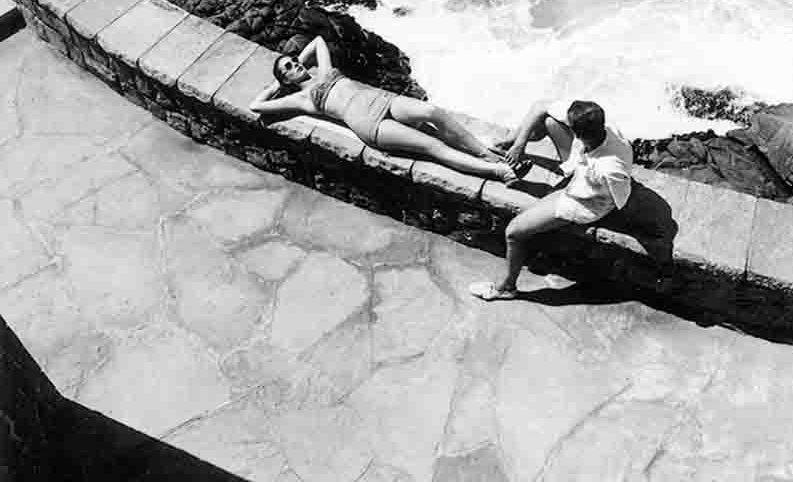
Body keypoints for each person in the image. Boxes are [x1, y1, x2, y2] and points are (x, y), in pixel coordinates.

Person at [249, 35, 528, 183]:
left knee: (433, 113)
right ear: (286, 79)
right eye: (289, 68)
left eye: (294, 61)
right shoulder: (302, 99)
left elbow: (318, 41)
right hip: (367, 123)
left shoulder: (323, 70)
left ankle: (486, 153)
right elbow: (256, 105)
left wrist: (293, 62)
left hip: (381, 99)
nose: (296, 65)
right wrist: (277, 85)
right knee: (432, 146)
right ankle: (498, 172)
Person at [469, 99, 633, 300]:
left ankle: (506, 287)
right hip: (581, 171)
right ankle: (512, 148)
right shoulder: (604, 127)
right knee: (550, 121)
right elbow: (540, 107)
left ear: (578, 135)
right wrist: (519, 143)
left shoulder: (610, 169)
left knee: (513, 232)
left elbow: (621, 200)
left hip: (583, 201)